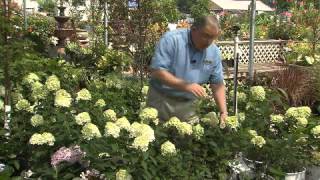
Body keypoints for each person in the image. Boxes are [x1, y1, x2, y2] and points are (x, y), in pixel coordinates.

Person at [146, 15, 228, 126]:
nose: (209, 41)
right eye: (206, 36)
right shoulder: (172, 40)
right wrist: (186, 85)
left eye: (212, 37)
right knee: (158, 137)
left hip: (189, 107)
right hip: (162, 101)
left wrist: (223, 112)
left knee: (187, 141)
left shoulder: (214, 52)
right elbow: (157, 71)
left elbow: (217, 83)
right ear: (193, 29)